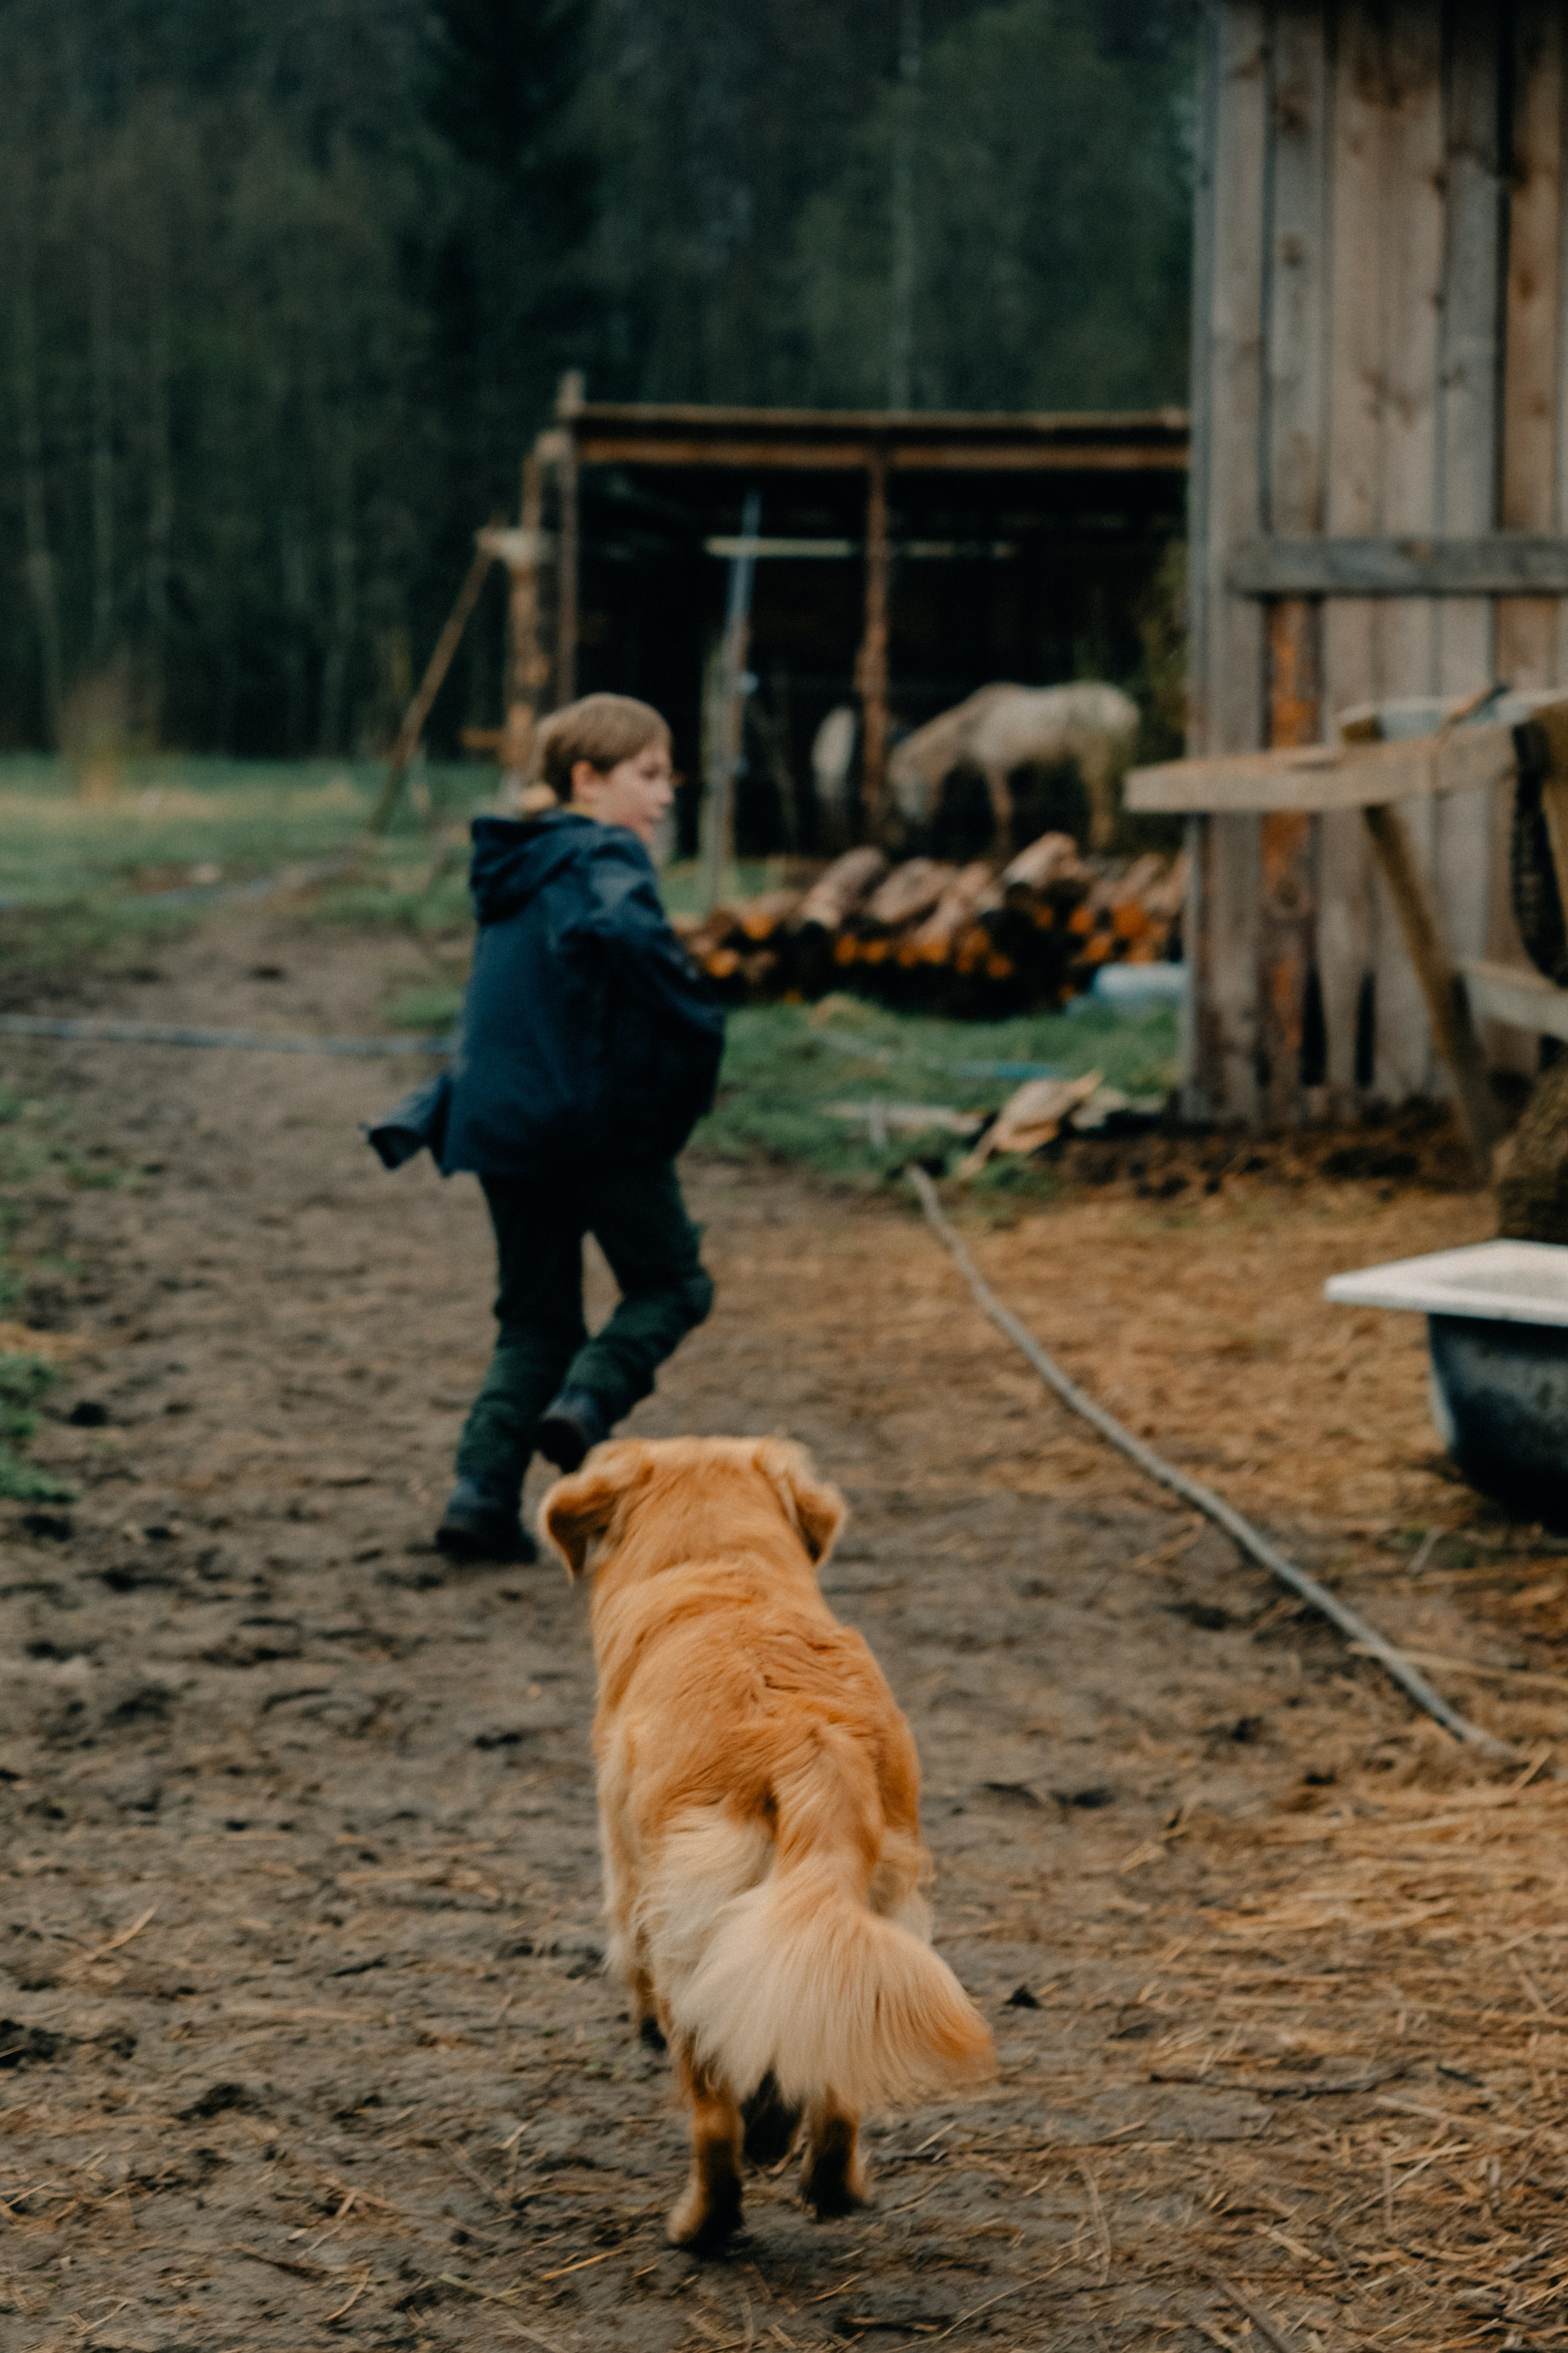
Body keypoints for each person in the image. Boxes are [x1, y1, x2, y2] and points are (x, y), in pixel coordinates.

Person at [368, 693, 725, 1563]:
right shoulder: (606, 854)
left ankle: (480, 1495)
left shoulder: (511, 864)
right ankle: (588, 1404)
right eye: (648, 774)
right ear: (586, 778)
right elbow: (633, 947)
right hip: (597, 1127)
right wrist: (697, 1031)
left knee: (534, 1319)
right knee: (674, 1285)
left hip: (501, 1129)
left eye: (669, 774)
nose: (667, 794)